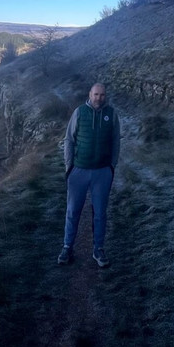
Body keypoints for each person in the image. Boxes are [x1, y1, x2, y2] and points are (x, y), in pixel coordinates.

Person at [58, 83, 120, 268]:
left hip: (102, 172)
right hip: (79, 171)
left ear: (105, 96)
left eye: (102, 95)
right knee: (73, 211)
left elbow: (116, 140)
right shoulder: (79, 112)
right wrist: (69, 166)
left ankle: (98, 249)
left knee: (100, 213)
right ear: (90, 94)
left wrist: (112, 166)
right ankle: (67, 247)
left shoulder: (112, 114)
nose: (98, 98)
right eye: (95, 94)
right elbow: (69, 139)